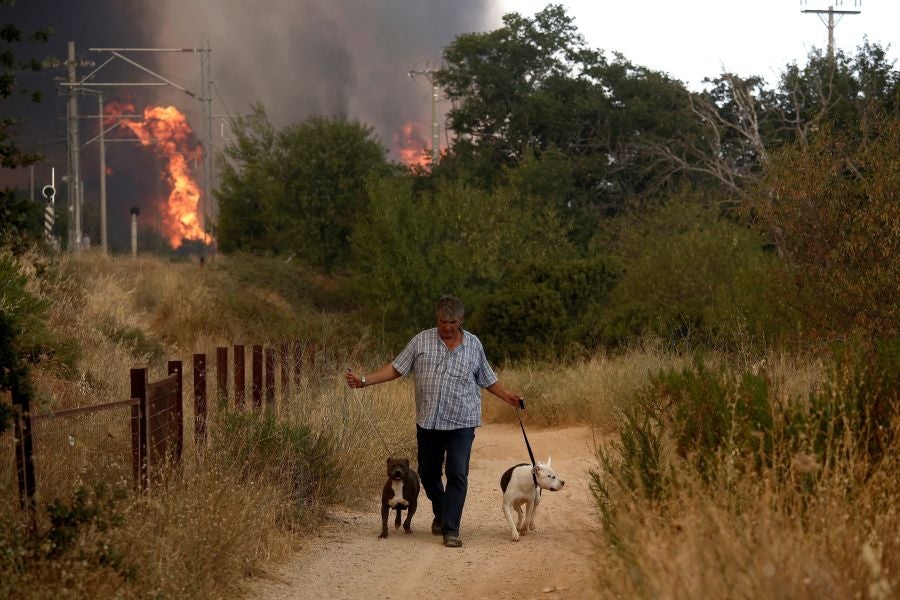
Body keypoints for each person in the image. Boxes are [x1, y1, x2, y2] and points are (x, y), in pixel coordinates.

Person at [345, 295, 522, 548]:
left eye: (452, 322)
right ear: (436, 318)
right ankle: (442, 510)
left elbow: (487, 378)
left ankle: (451, 529)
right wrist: (364, 381)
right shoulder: (421, 340)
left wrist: (508, 397)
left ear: (461, 320)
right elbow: (396, 368)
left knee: (457, 473)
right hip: (429, 421)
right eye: (442, 321)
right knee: (427, 474)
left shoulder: (473, 344)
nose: (447, 327)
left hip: (462, 421)